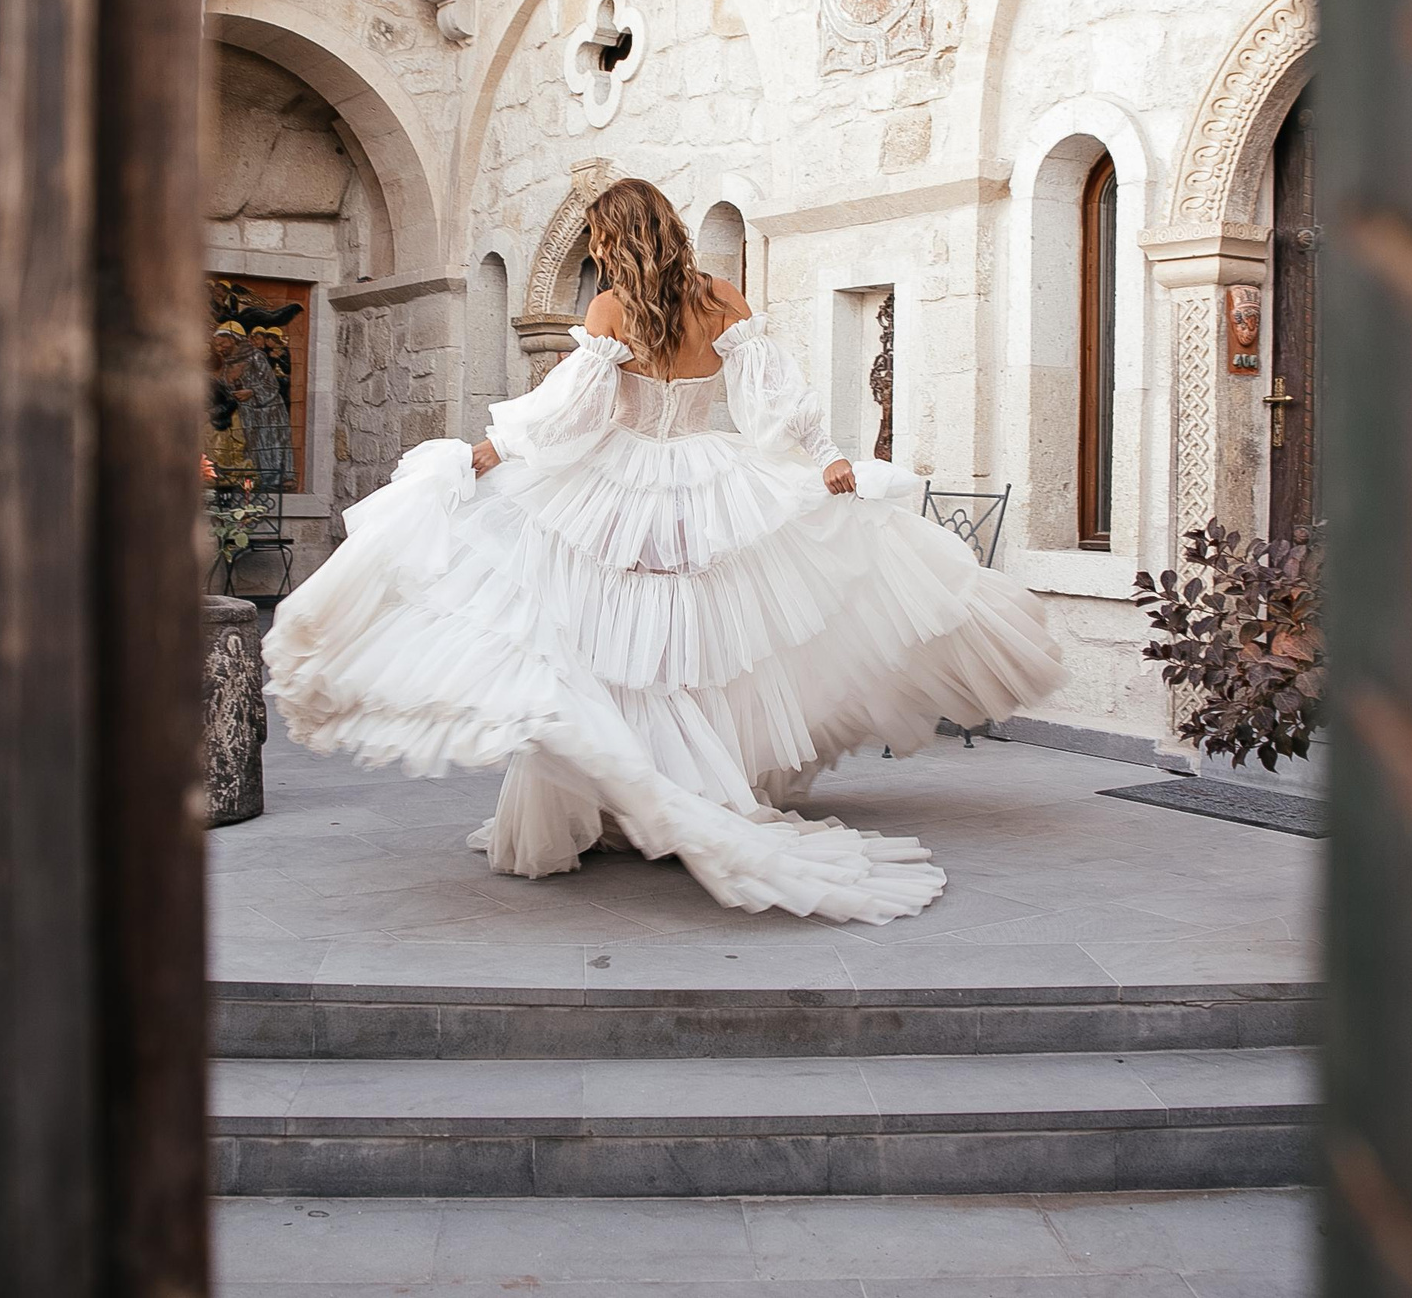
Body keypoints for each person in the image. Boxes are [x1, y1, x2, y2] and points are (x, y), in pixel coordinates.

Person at [263, 179, 1064, 923]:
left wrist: (491, 449)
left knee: (610, 646)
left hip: (620, 487)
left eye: (600, 240)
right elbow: (772, 408)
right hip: (706, 483)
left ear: (617, 239)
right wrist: (824, 458)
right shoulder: (722, 299)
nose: (600, 254)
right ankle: (673, 792)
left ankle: (623, 801)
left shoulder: (613, 308)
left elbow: (570, 416)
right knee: (687, 647)